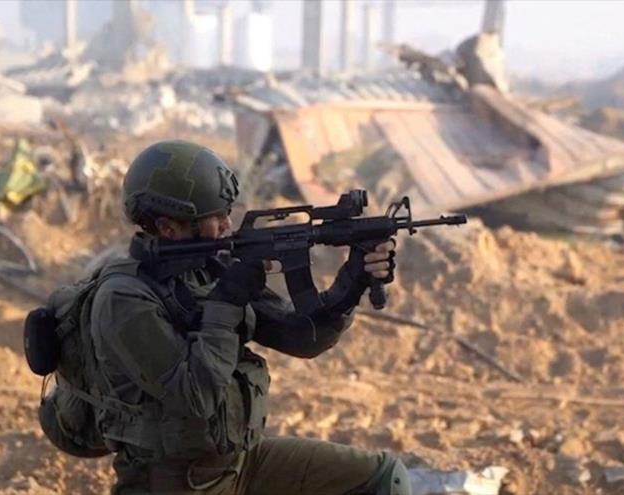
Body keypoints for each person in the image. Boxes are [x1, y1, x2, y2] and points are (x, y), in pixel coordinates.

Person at [89, 140, 410, 494]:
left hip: (238, 465)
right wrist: (225, 304)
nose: (228, 224)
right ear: (168, 228)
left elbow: (303, 337)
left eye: (228, 211)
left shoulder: (208, 268)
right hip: (175, 483)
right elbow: (195, 398)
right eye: (216, 216)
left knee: (383, 480)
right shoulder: (122, 299)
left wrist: (352, 283)